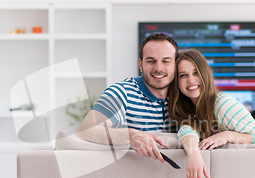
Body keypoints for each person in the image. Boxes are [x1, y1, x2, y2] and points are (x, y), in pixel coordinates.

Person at [168, 49, 255, 178]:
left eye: (196, 73)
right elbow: (187, 130)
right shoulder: (187, 108)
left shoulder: (222, 104)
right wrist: (193, 154)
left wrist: (227, 135)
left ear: (205, 73)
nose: (190, 80)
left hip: (251, 176)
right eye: (183, 75)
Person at [76, 33, 178, 163]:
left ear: (175, 64)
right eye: (151, 61)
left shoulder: (185, 93)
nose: (158, 68)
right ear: (140, 64)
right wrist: (131, 136)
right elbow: (85, 130)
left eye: (166, 61)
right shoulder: (122, 92)